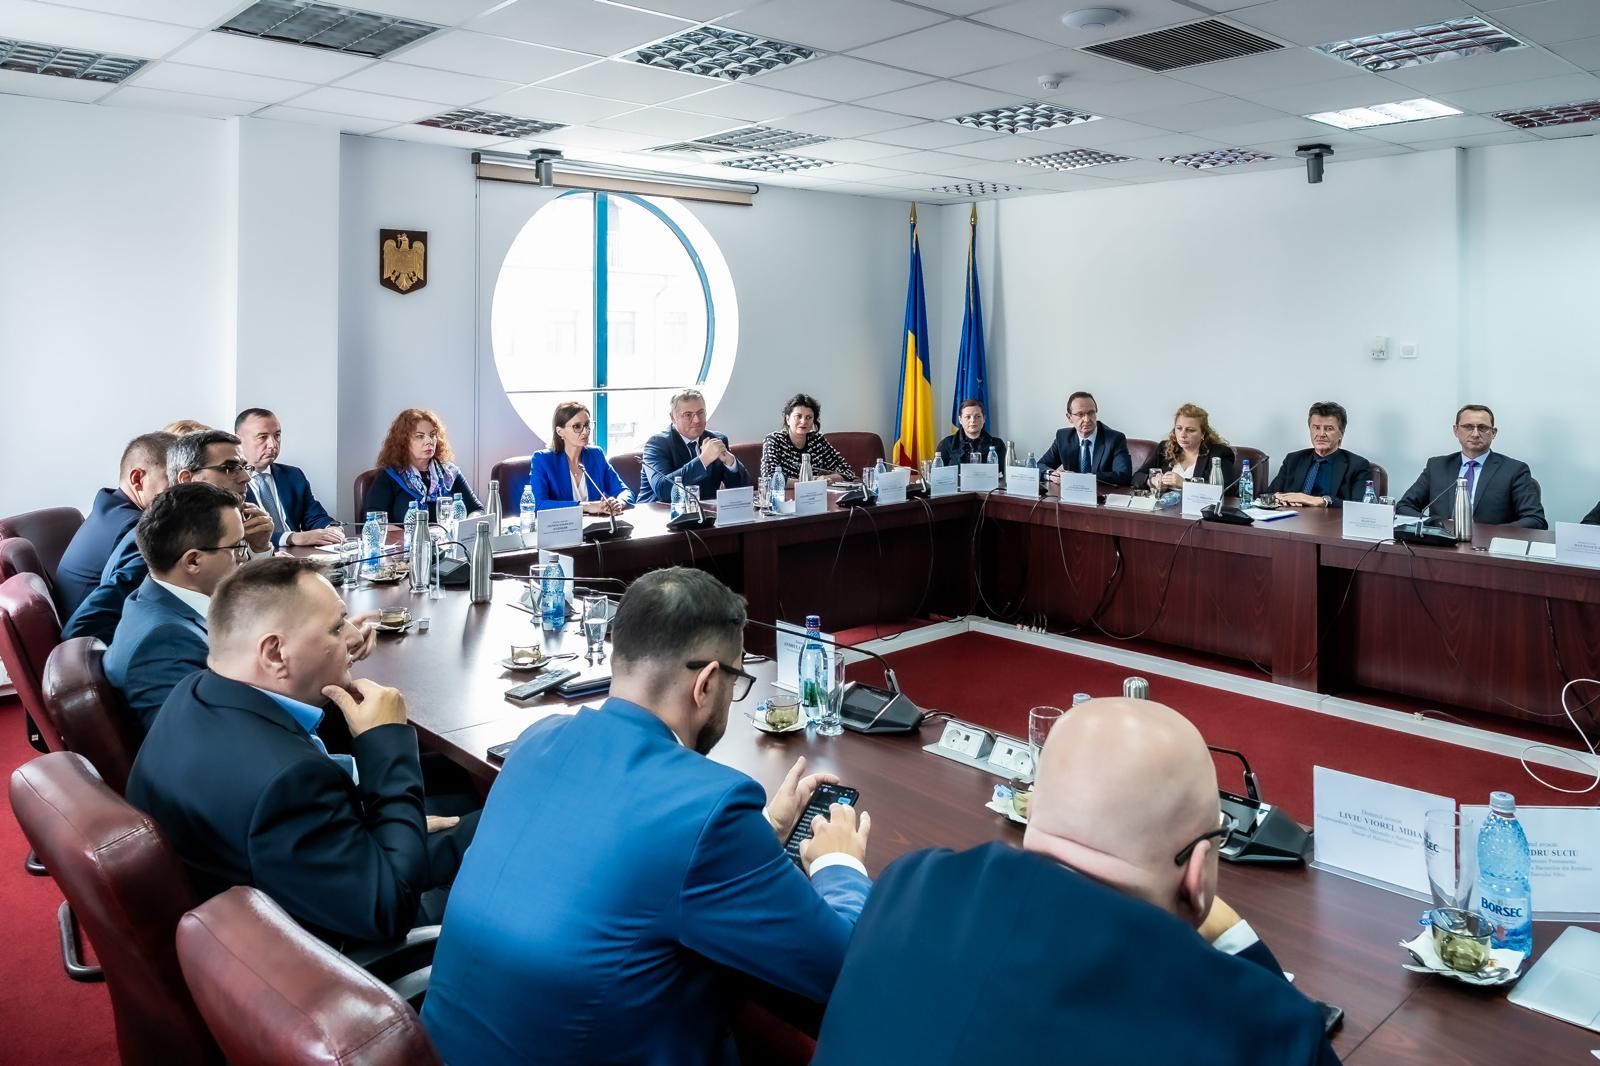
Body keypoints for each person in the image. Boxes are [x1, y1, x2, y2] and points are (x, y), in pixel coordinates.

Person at [422, 567, 873, 1064]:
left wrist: (764, 833)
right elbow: (845, 969)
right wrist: (838, 863)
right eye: (736, 681)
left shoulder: (537, 740)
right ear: (706, 683)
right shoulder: (710, 807)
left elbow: (632, 868)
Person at [810, 698, 1338, 1066]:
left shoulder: (909, 884)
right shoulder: (1261, 1027)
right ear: (1198, 873)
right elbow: (1286, 1029)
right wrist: (1230, 932)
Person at [125, 558, 475, 948]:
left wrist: (383, 820)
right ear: (275, 653)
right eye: (336, 627)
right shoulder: (287, 782)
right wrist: (387, 739)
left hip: (281, 888)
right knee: (503, 828)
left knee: (466, 800)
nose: (352, 636)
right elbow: (391, 911)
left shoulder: (193, 692)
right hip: (322, 950)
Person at [62, 430, 271, 642]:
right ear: (187, 479)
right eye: (229, 468)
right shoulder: (163, 535)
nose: (245, 478)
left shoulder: (189, 530)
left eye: (244, 467)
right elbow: (82, 629)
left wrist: (260, 549)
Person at [54, 432, 175, 617]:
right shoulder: (135, 527)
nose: (183, 488)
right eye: (173, 479)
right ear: (137, 479)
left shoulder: (110, 508)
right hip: (92, 630)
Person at [1397, 405, 1546, 529]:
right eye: (1468, 427)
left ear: (1493, 433)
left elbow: (1535, 519)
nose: (1475, 434)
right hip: (1441, 544)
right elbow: (1404, 507)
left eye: (1482, 428)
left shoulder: (1514, 470)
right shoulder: (1437, 466)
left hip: (1487, 548)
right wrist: (1434, 524)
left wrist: (1492, 533)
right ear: (1456, 430)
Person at [236, 408, 344, 548]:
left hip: (297, 555)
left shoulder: (293, 475)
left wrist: (331, 528)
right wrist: (290, 537)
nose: (273, 444)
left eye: (277, 436)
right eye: (262, 437)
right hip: (256, 558)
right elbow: (240, 534)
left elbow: (315, 517)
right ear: (238, 441)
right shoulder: (230, 481)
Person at [364, 408, 483, 524]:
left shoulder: (449, 473)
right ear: (403, 442)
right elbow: (374, 521)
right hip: (406, 537)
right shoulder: (390, 476)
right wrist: (417, 533)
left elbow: (477, 510)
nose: (429, 441)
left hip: (446, 537)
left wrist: (466, 524)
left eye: (432, 435)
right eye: (419, 436)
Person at [637, 388, 750, 504]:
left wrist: (731, 463)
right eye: (688, 415)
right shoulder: (656, 444)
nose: (696, 420)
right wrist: (703, 460)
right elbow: (663, 490)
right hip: (659, 512)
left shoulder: (717, 440)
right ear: (673, 417)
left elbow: (743, 491)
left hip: (704, 512)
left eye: (701, 413)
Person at [528, 401, 630, 514]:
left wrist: (619, 503)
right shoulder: (542, 459)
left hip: (596, 524)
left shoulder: (596, 455)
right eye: (577, 426)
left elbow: (625, 491)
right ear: (560, 432)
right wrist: (586, 506)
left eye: (587, 425)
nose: (585, 432)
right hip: (562, 524)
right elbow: (538, 504)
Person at [1267, 401, 1374, 509]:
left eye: (1329, 428)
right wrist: (1276, 497)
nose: (1321, 434)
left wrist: (1321, 501)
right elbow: (1268, 495)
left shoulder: (1357, 465)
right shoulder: (1293, 460)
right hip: (1290, 518)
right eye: (1316, 428)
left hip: (1330, 519)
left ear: (1341, 433)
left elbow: (1360, 507)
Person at [1132, 403, 1236, 492]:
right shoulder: (1165, 448)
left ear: (1203, 433)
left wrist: (1184, 483)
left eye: (1190, 430)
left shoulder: (1218, 453)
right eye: (1179, 428)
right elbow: (1136, 477)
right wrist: (1152, 481)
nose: (1183, 435)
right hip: (1164, 506)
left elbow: (1226, 489)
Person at [759, 392, 856, 484]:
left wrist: (825, 478)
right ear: (787, 419)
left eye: (808, 417)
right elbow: (770, 478)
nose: (803, 421)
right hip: (783, 495)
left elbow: (848, 473)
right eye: (798, 416)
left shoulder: (817, 441)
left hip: (813, 495)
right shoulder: (774, 440)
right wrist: (811, 481)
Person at [1040, 391, 1132, 486]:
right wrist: (1051, 475)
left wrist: (1082, 478)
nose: (1087, 419)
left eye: (1091, 413)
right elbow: (1040, 465)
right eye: (1080, 414)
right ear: (1069, 417)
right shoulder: (1063, 437)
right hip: (1071, 492)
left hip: (1101, 493)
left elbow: (1124, 475)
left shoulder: (1115, 439)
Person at [935, 398, 1006, 467]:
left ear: (984, 419)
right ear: (960, 420)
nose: (973, 420)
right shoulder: (947, 443)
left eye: (978, 416)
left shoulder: (997, 444)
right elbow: (937, 472)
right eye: (968, 417)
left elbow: (1003, 472)